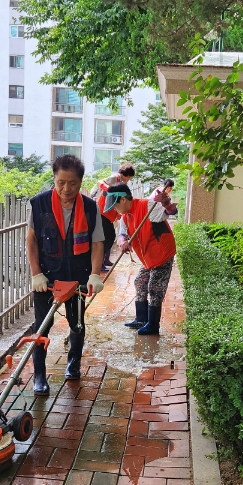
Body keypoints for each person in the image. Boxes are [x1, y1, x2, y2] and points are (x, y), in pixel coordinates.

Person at [26, 154, 104, 394]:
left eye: (72, 183)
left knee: (77, 324)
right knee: (42, 327)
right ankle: (39, 375)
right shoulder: (39, 205)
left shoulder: (90, 208)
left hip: (78, 277)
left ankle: (73, 363)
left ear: (80, 182)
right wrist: (36, 273)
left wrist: (94, 275)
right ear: (54, 179)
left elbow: (98, 242)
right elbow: (31, 240)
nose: (66, 188)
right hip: (47, 278)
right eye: (61, 182)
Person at [105, 182, 176, 335]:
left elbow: (171, 211)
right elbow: (122, 234)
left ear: (123, 200)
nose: (115, 210)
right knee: (140, 282)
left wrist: (166, 202)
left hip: (162, 254)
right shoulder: (125, 217)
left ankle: (153, 325)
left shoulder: (147, 206)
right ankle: (141, 319)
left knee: (154, 287)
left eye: (115, 206)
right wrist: (123, 241)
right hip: (148, 257)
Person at [91, 163, 136, 271]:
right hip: (102, 212)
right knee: (106, 238)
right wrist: (109, 189)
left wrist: (119, 215)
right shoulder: (114, 179)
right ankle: (99, 263)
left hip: (111, 215)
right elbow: (100, 182)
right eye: (129, 177)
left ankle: (106, 259)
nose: (129, 179)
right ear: (126, 175)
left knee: (110, 238)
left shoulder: (122, 184)